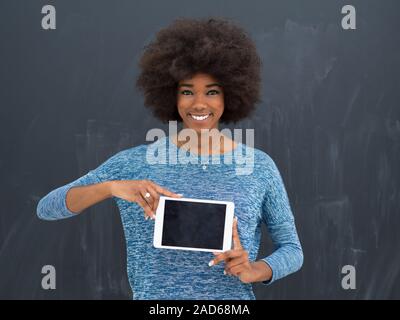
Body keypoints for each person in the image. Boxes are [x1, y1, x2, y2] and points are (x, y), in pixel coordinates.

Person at [37, 17, 303, 300]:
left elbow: (292, 250)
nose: (199, 103)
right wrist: (111, 187)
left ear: (231, 95)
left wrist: (255, 270)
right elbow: (47, 208)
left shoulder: (259, 167)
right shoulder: (132, 164)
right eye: (187, 91)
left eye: (211, 92)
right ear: (171, 97)